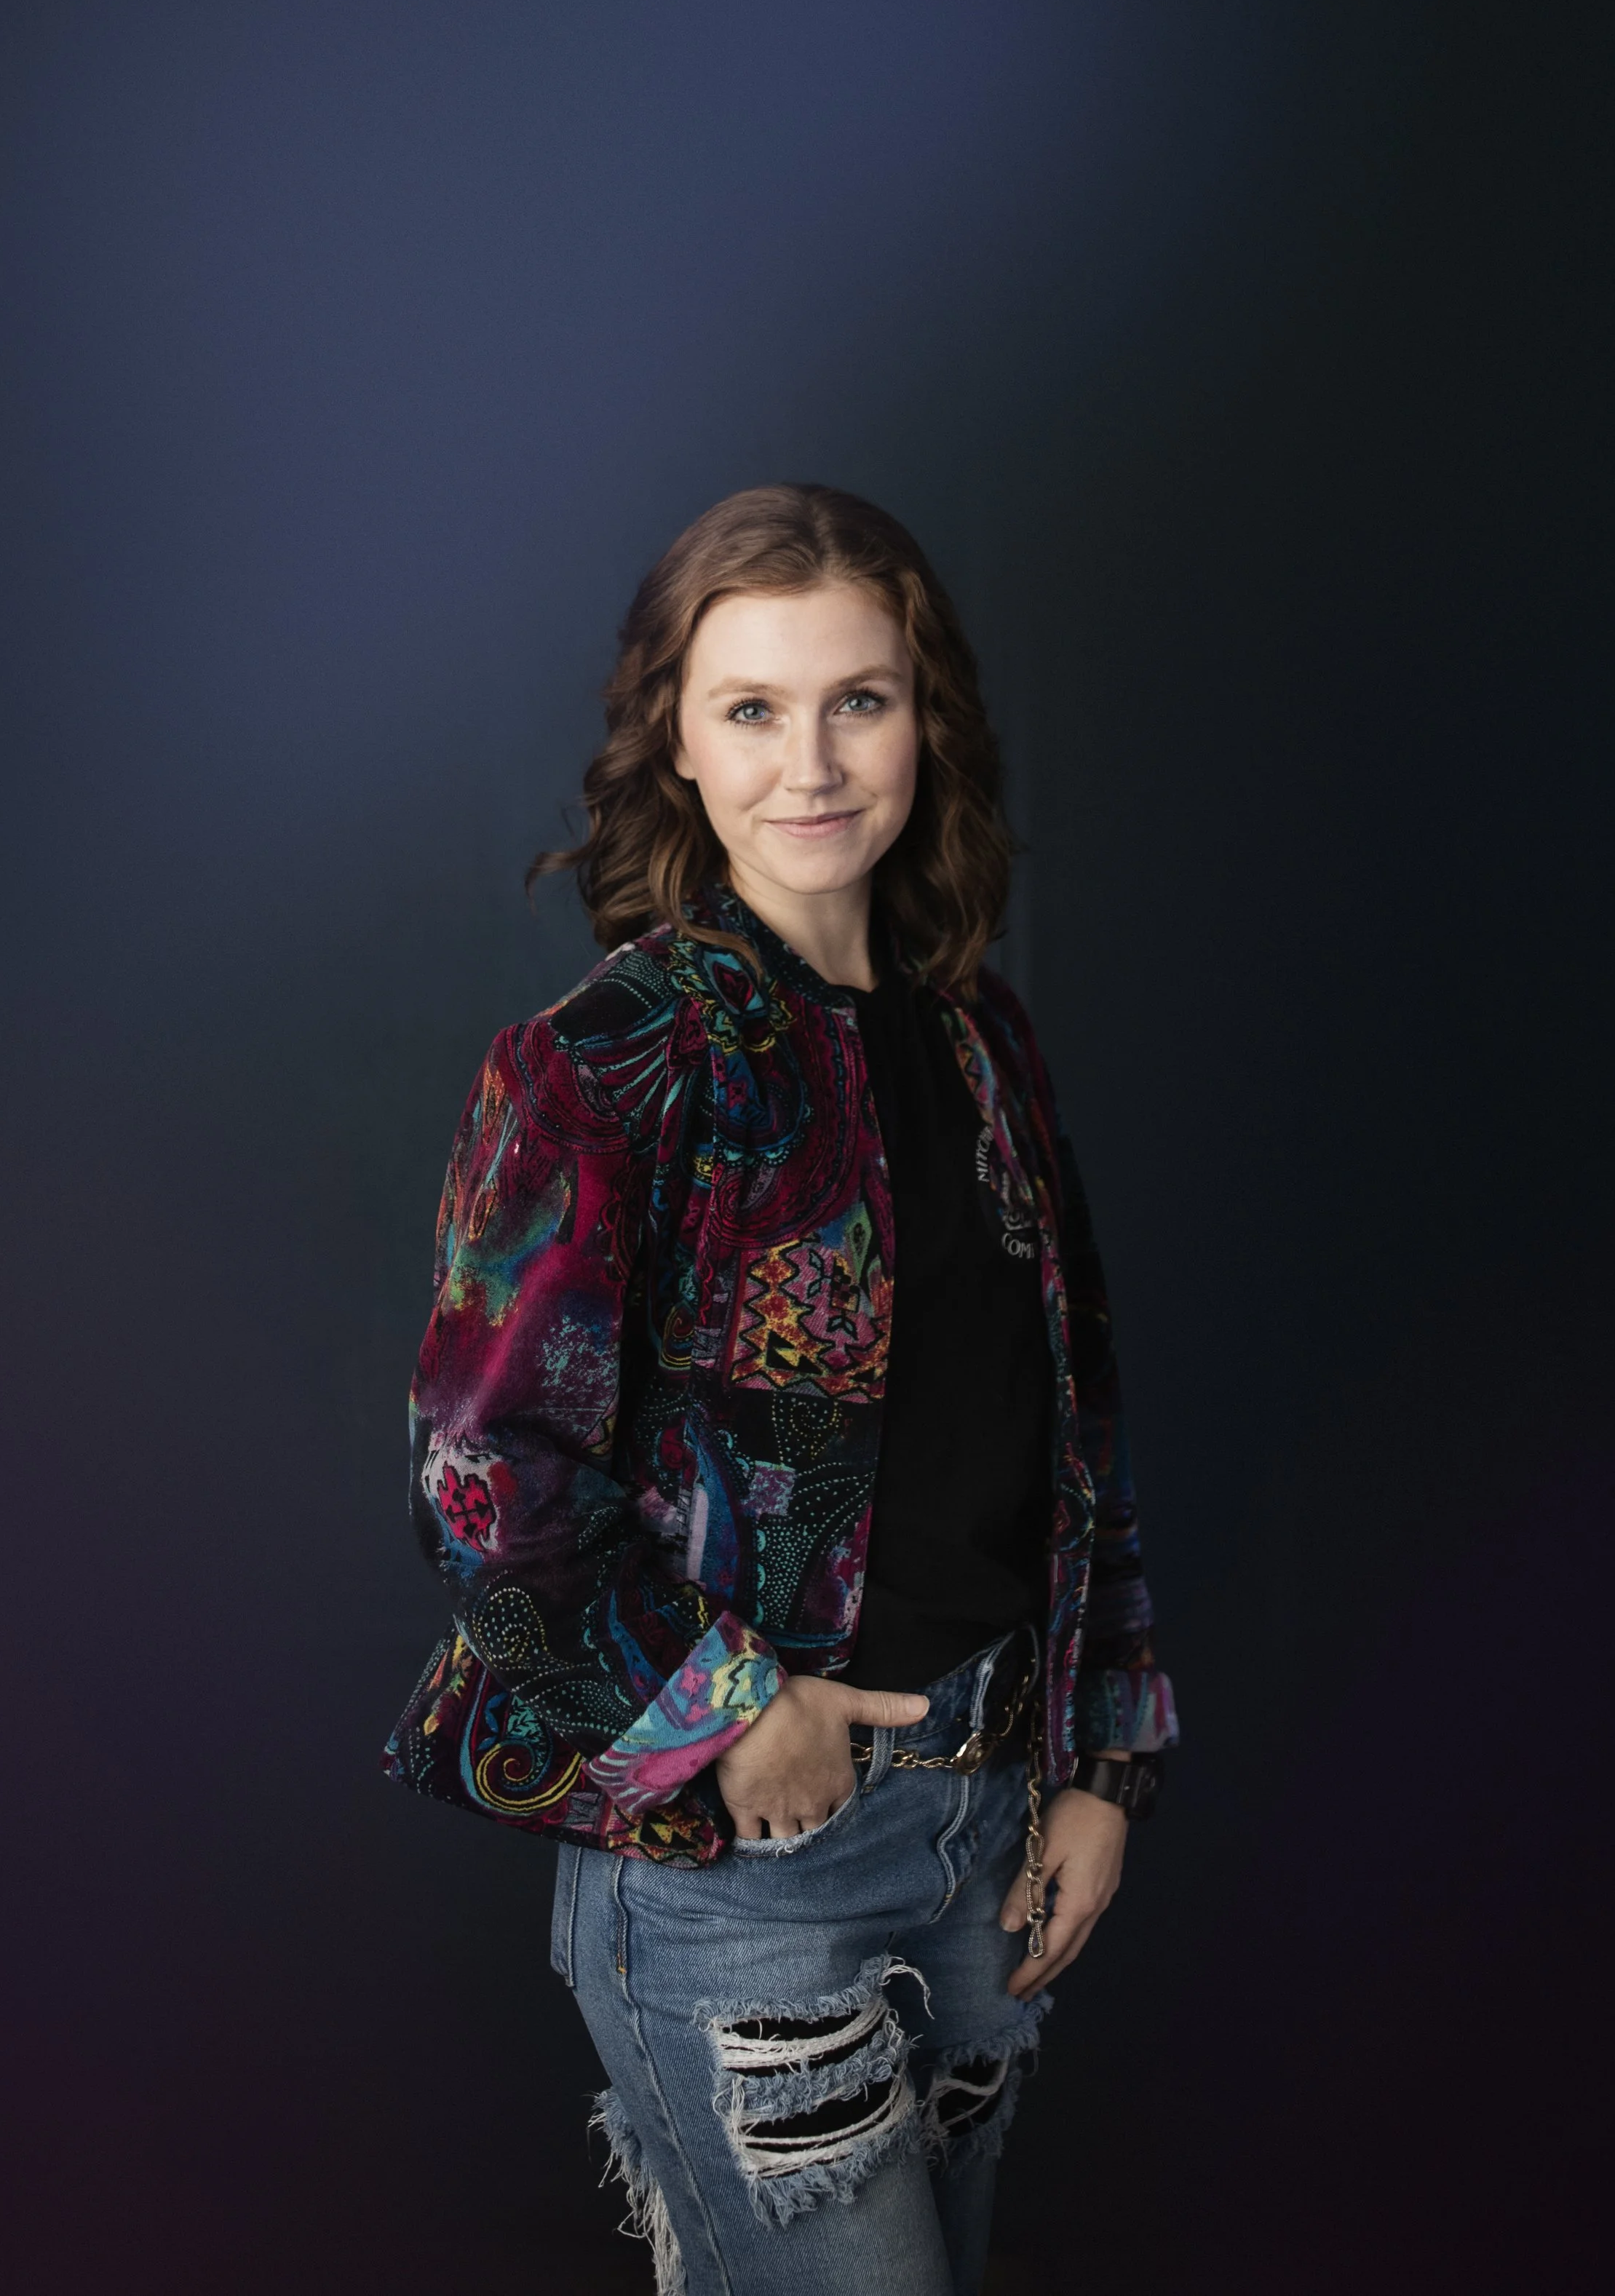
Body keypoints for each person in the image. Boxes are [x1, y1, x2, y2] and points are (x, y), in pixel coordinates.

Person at [384, 485, 1177, 2295]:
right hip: (754, 1860)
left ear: (925, 721)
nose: (810, 763)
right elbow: (480, 1475)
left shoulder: (982, 1040)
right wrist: (727, 1712)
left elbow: (1079, 1433)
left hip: (995, 1831)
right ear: (675, 739)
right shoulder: (609, 1063)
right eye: (751, 708)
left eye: (859, 701)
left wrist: (1102, 1766)